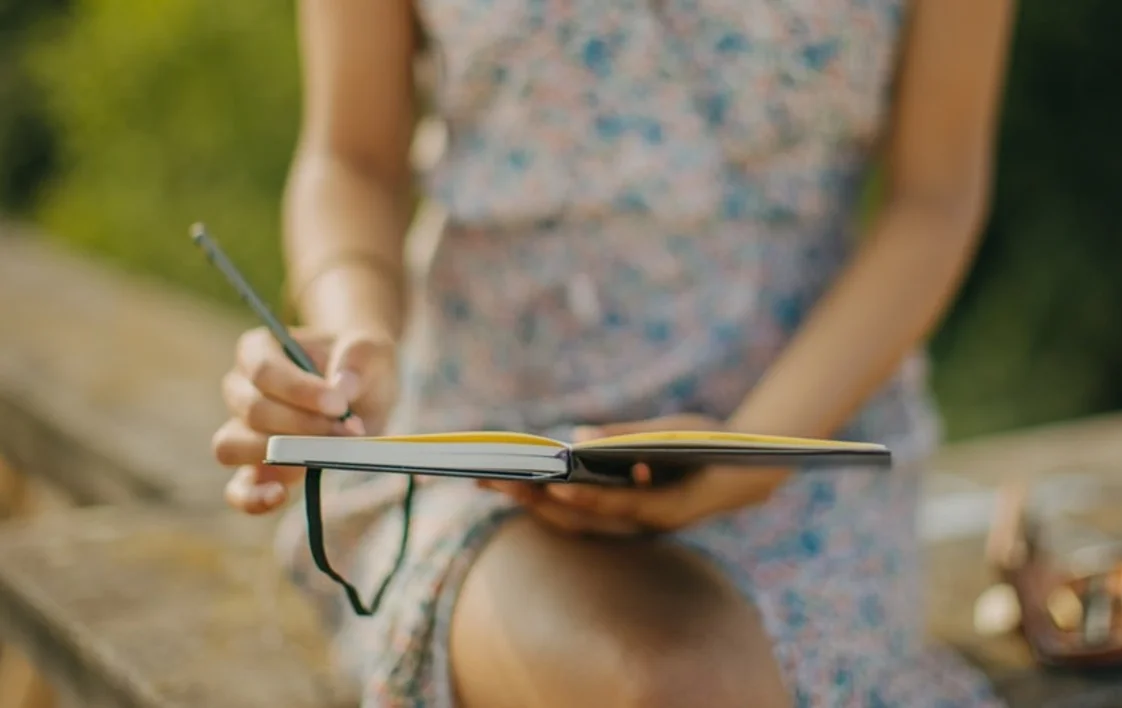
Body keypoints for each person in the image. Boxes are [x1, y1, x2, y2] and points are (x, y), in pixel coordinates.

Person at [211, 0, 1015, 704]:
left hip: (799, 454)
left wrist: (756, 451)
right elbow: (352, 156)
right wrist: (356, 344)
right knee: (671, 685)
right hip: (472, 451)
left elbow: (932, 200)